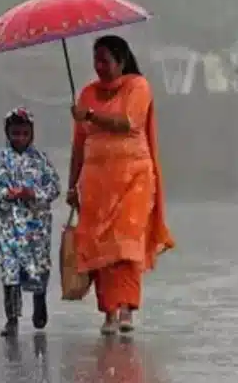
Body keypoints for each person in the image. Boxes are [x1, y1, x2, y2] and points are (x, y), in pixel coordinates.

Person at [69, 35, 173, 335]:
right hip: (96, 185)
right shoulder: (87, 94)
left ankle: (127, 309)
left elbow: (128, 121)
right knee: (100, 248)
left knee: (126, 245)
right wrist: (71, 184)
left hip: (134, 181)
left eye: (105, 60)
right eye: (96, 60)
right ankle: (109, 313)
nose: (99, 66)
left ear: (122, 60)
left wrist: (89, 115)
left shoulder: (138, 87)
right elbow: (78, 145)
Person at [0, 107, 60, 337]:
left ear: (31, 134)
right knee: (10, 270)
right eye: (15, 133)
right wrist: (5, 195)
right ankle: (12, 318)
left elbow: (54, 188)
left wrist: (33, 194)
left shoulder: (41, 160)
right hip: (9, 226)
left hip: (37, 227)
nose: (20, 138)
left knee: (39, 266)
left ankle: (39, 300)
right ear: (7, 133)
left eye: (24, 133)